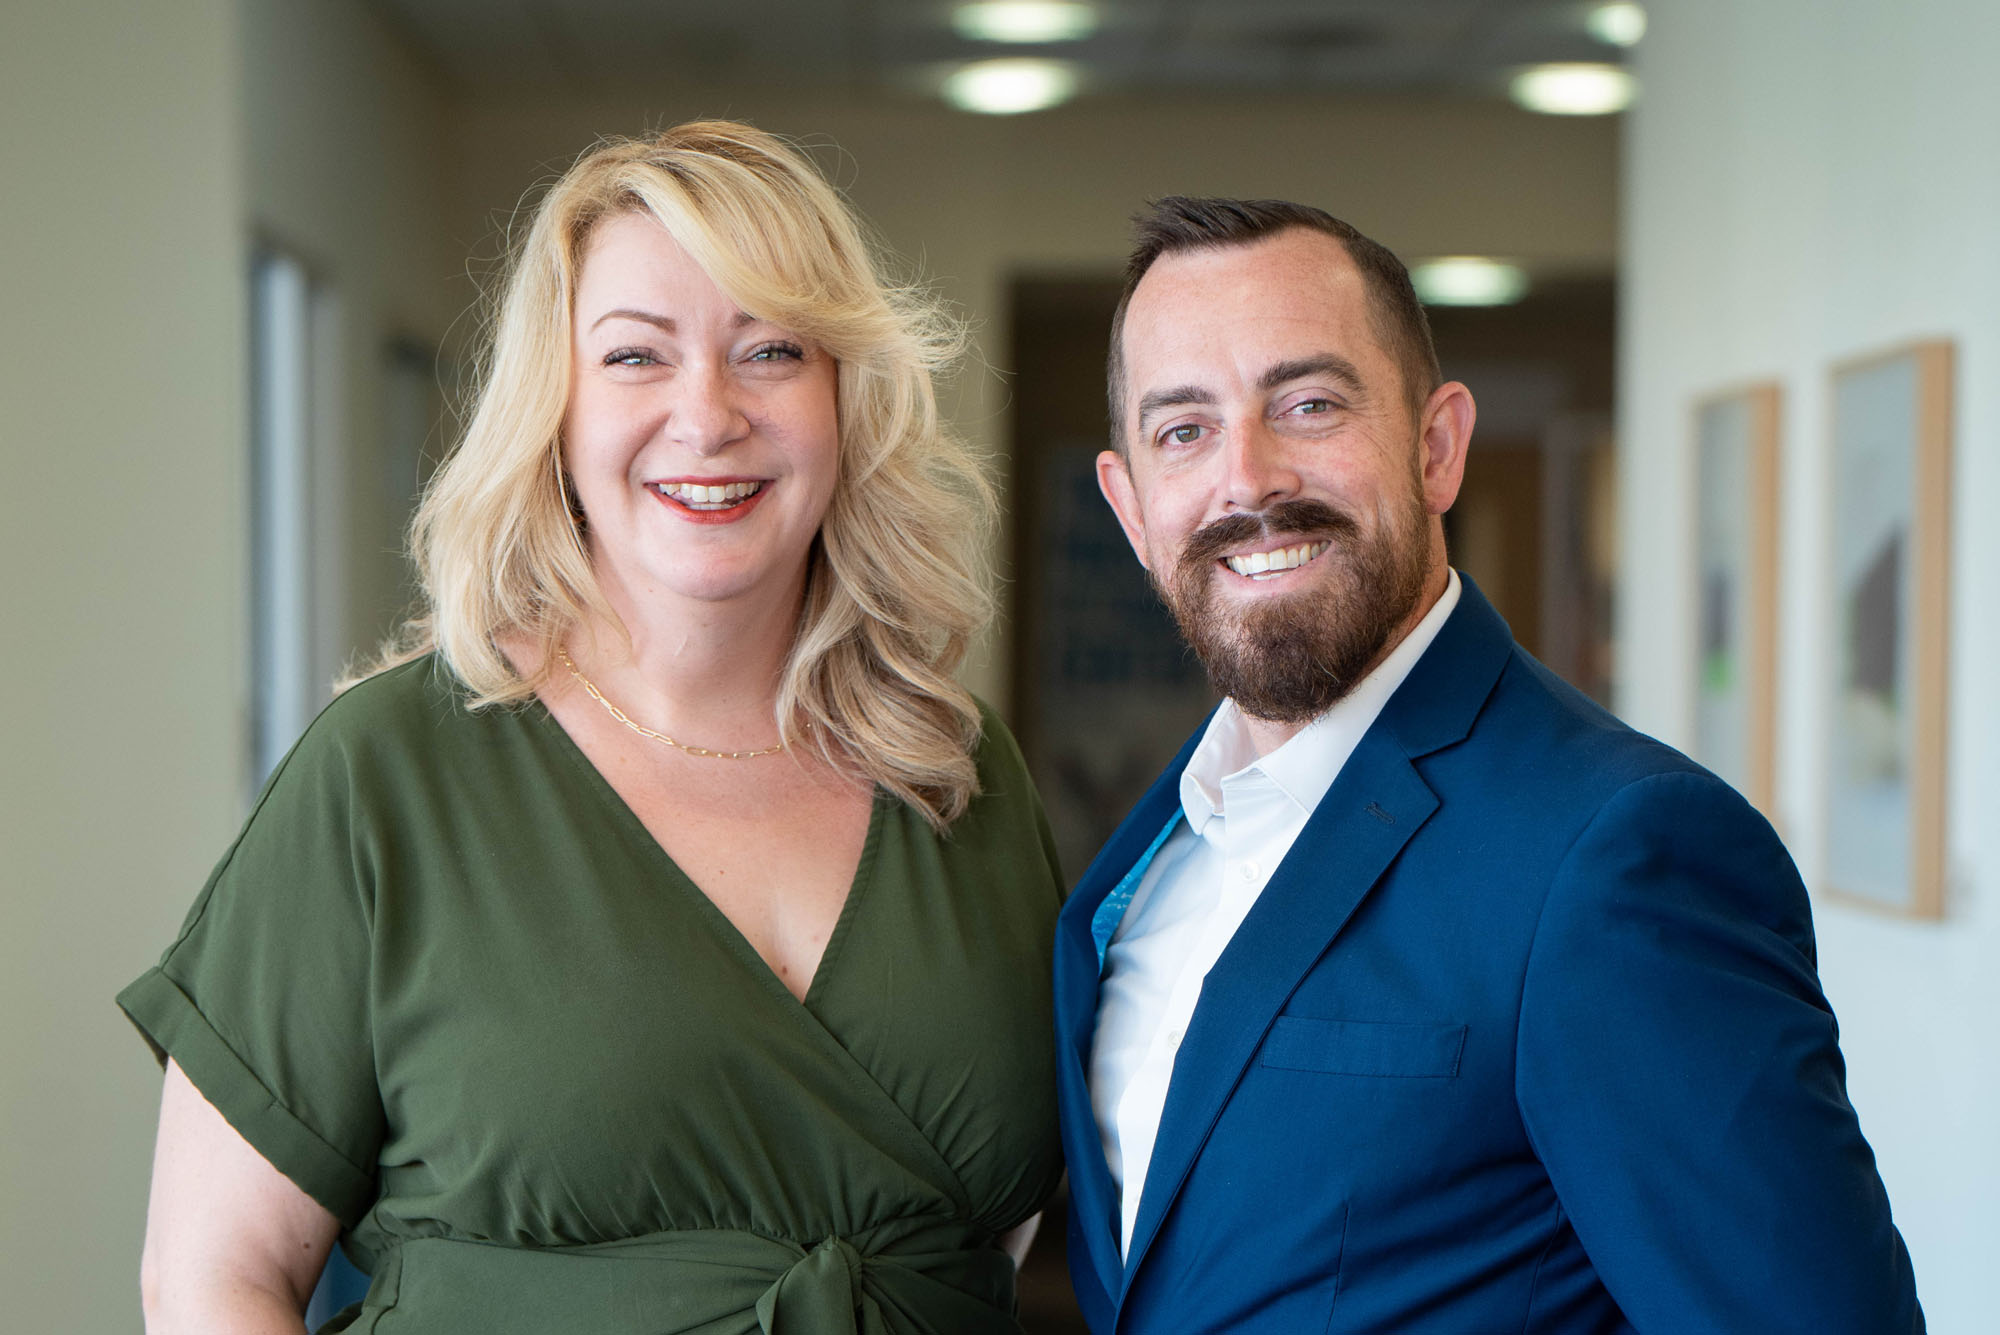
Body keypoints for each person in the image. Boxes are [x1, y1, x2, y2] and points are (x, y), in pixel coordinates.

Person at [119, 121, 1065, 1335]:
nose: (706, 414)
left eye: (771, 350)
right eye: (634, 355)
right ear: (554, 409)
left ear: (846, 399)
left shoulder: (956, 770)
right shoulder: (386, 774)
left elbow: (992, 1235)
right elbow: (211, 1278)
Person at [1052, 196, 1923, 1333]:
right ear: (1130, 507)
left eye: (1308, 404)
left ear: (1436, 446)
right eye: (1183, 430)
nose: (1247, 479)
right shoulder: (1137, 875)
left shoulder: (1618, 852)